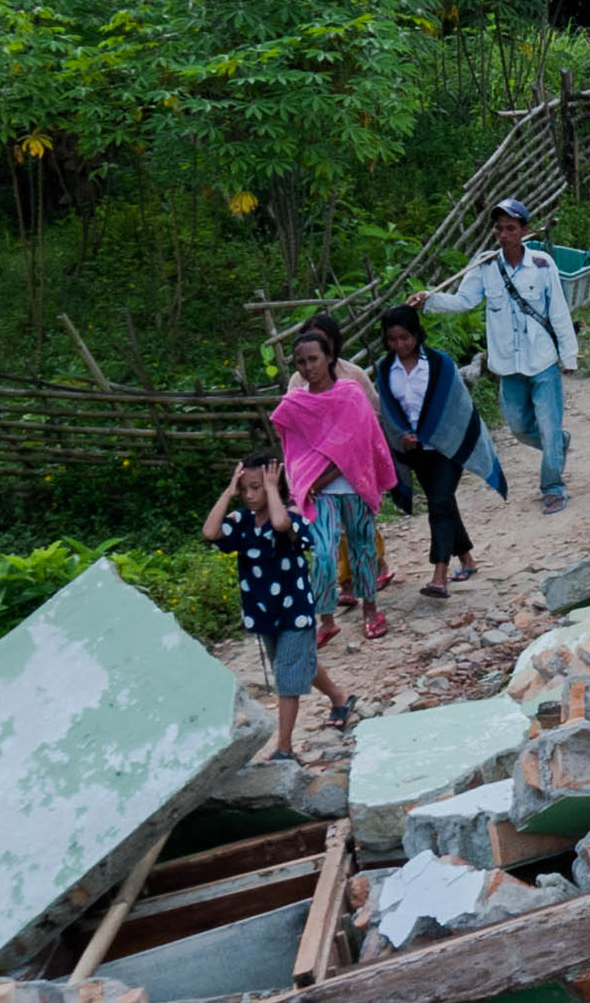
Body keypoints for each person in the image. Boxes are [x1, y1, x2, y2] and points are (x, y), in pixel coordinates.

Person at [424, 198, 583, 513]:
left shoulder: (542, 266)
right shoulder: (485, 266)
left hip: (543, 361)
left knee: (549, 426)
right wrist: (428, 301)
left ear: (524, 230)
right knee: (520, 428)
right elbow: (463, 301)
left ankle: (552, 486)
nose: (504, 234)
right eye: (499, 228)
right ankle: (558, 446)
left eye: (511, 228)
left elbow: (560, 312)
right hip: (507, 366)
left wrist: (569, 357)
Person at [203, 447, 350, 760]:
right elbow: (210, 532)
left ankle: (284, 746)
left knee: (287, 671)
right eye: (245, 489)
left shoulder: (293, 516)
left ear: (274, 486)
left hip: (294, 609)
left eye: (256, 488)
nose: (249, 495)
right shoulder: (241, 522)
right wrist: (228, 494)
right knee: (296, 663)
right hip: (262, 612)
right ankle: (339, 696)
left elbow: (281, 524)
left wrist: (272, 490)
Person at [274, 324, 399, 642]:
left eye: (313, 359)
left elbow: (358, 443)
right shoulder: (296, 403)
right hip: (320, 494)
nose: (308, 367)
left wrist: (322, 477)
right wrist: (304, 482)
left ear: (329, 357)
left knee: (363, 549)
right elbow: (293, 448)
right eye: (301, 362)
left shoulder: (350, 394)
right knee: (325, 554)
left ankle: (371, 610)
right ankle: (327, 619)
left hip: (353, 485)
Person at [372, 302, 503, 596]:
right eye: (393, 339)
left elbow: (458, 404)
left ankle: (439, 574)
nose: (400, 344)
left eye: (405, 337)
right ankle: (467, 558)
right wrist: (401, 436)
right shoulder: (384, 369)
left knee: (439, 503)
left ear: (417, 334)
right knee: (442, 502)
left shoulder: (440, 364)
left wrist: (437, 430)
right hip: (417, 452)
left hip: (447, 446)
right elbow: (389, 412)